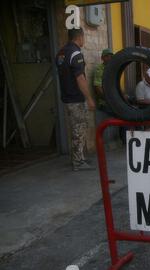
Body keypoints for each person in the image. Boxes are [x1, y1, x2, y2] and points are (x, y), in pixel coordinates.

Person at [56, 27, 96, 172]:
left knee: (76, 129)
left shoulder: (61, 53)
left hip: (67, 97)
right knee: (79, 129)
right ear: (79, 37)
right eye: (83, 37)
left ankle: (79, 157)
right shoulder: (76, 53)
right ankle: (78, 162)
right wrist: (89, 98)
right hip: (76, 98)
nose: (84, 40)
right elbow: (80, 78)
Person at [94, 48, 114, 115]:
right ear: (102, 58)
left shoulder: (113, 68)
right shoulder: (99, 69)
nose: (110, 58)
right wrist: (109, 99)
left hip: (115, 101)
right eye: (107, 56)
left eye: (111, 56)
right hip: (105, 103)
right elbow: (98, 88)